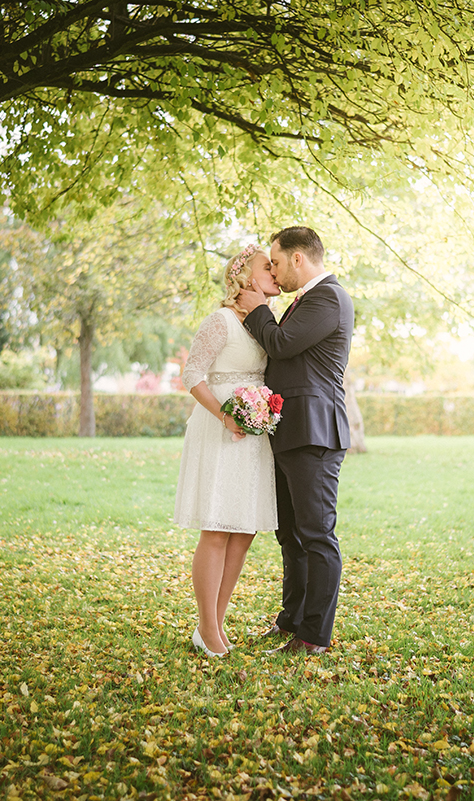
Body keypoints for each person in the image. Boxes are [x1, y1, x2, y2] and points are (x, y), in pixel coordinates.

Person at [236, 226, 354, 656]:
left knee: (316, 535)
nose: (276, 270)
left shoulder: (329, 298)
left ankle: (313, 636)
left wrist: (256, 309)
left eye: (278, 261)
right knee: (291, 535)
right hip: (292, 431)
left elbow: (283, 345)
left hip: (315, 434)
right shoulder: (307, 301)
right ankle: (291, 622)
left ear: (299, 259)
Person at [173, 245, 282, 658]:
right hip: (221, 428)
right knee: (217, 527)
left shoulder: (264, 320)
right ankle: (207, 627)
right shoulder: (220, 320)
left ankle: (213, 625)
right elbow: (192, 373)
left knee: (244, 528)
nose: (273, 271)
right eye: (265, 266)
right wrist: (224, 415)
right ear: (246, 276)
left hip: (254, 432)